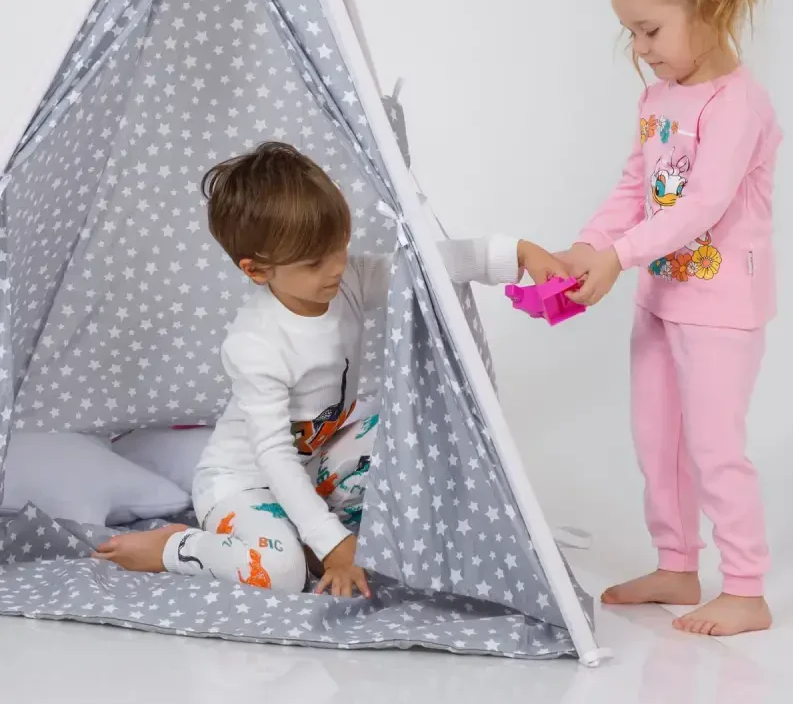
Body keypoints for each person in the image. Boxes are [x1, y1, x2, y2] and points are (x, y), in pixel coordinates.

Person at [95, 142, 564, 597]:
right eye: (315, 262)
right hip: (247, 483)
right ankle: (177, 547)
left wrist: (518, 253)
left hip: (314, 466)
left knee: (416, 433)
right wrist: (332, 542)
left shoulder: (348, 280)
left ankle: (309, 537)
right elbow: (274, 456)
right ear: (257, 271)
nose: (336, 267)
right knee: (280, 573)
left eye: (340, 247)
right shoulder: (256, 344)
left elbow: (427, 267)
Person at [560, 0, 778, 637]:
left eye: (650, 30)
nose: (641, 47)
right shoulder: (659, 98)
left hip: (721, 309)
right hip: (659, 298)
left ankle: (745, 587)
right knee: (659, 442)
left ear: (710, 6)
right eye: (631, 32)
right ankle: (677, 563)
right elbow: (636, 186)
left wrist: (618, 256)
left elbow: (703, 206)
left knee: (714, 447)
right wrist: (589, 245)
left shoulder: (739, 105)